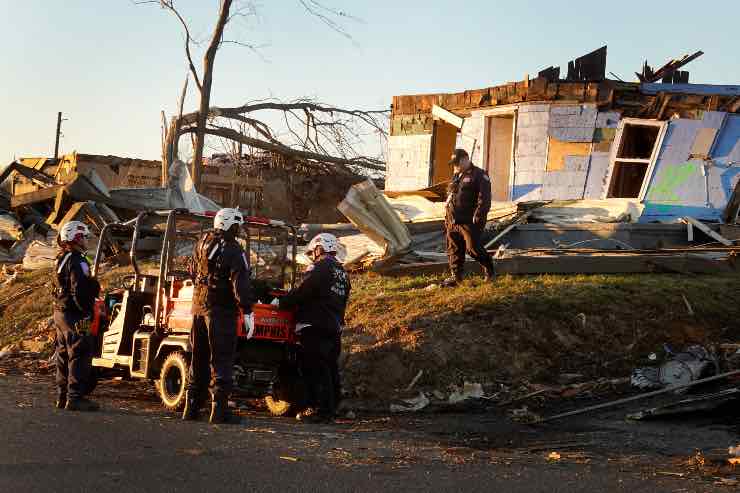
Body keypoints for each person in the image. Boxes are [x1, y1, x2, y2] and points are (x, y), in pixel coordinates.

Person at [183, 208, 254, 424]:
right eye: (237, 226)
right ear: (230, 225)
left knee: (198, 357)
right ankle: (219, 411)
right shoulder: (234, 249)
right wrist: (248, 310)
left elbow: (192, 270)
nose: (239, 230)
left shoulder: (202, 241)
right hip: (221, 310)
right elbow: (239, 281)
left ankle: (191, 408)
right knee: (222, 359)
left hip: (198, 307)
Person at [279, 233, 350, 424]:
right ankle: (332, 408)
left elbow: (304, 291)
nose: (312, 255)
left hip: (314, 325)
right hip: (334, 326)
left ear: (319, 248)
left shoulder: (319, 267)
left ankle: (320, 411)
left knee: (315, 369)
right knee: (330, 368)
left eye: (313, 252)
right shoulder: (342, 272)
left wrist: (283, 302)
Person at [52, 221, 101, 412]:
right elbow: (79, 291)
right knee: (79, 353)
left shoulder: (60, 258)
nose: (87, 241)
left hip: (60, 313)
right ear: (76, 238)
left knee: (63, 355)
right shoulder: (78, 261)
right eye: (85, 237)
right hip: (75, 314)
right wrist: (86, 311)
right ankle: (75, 397)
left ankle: (62, 396)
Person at [442, 148, 496, 287]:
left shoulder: (479, 175)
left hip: (469, 220)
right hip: (453, 220)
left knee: (472, 248)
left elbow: (484, 198)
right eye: (454, 164)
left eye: (457, 163)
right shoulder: (457, 176)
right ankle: (457, 276)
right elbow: (451, 195)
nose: (455, 166)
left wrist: (479, 215)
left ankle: (489, 269)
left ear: (466, 159)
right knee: (454, 249)